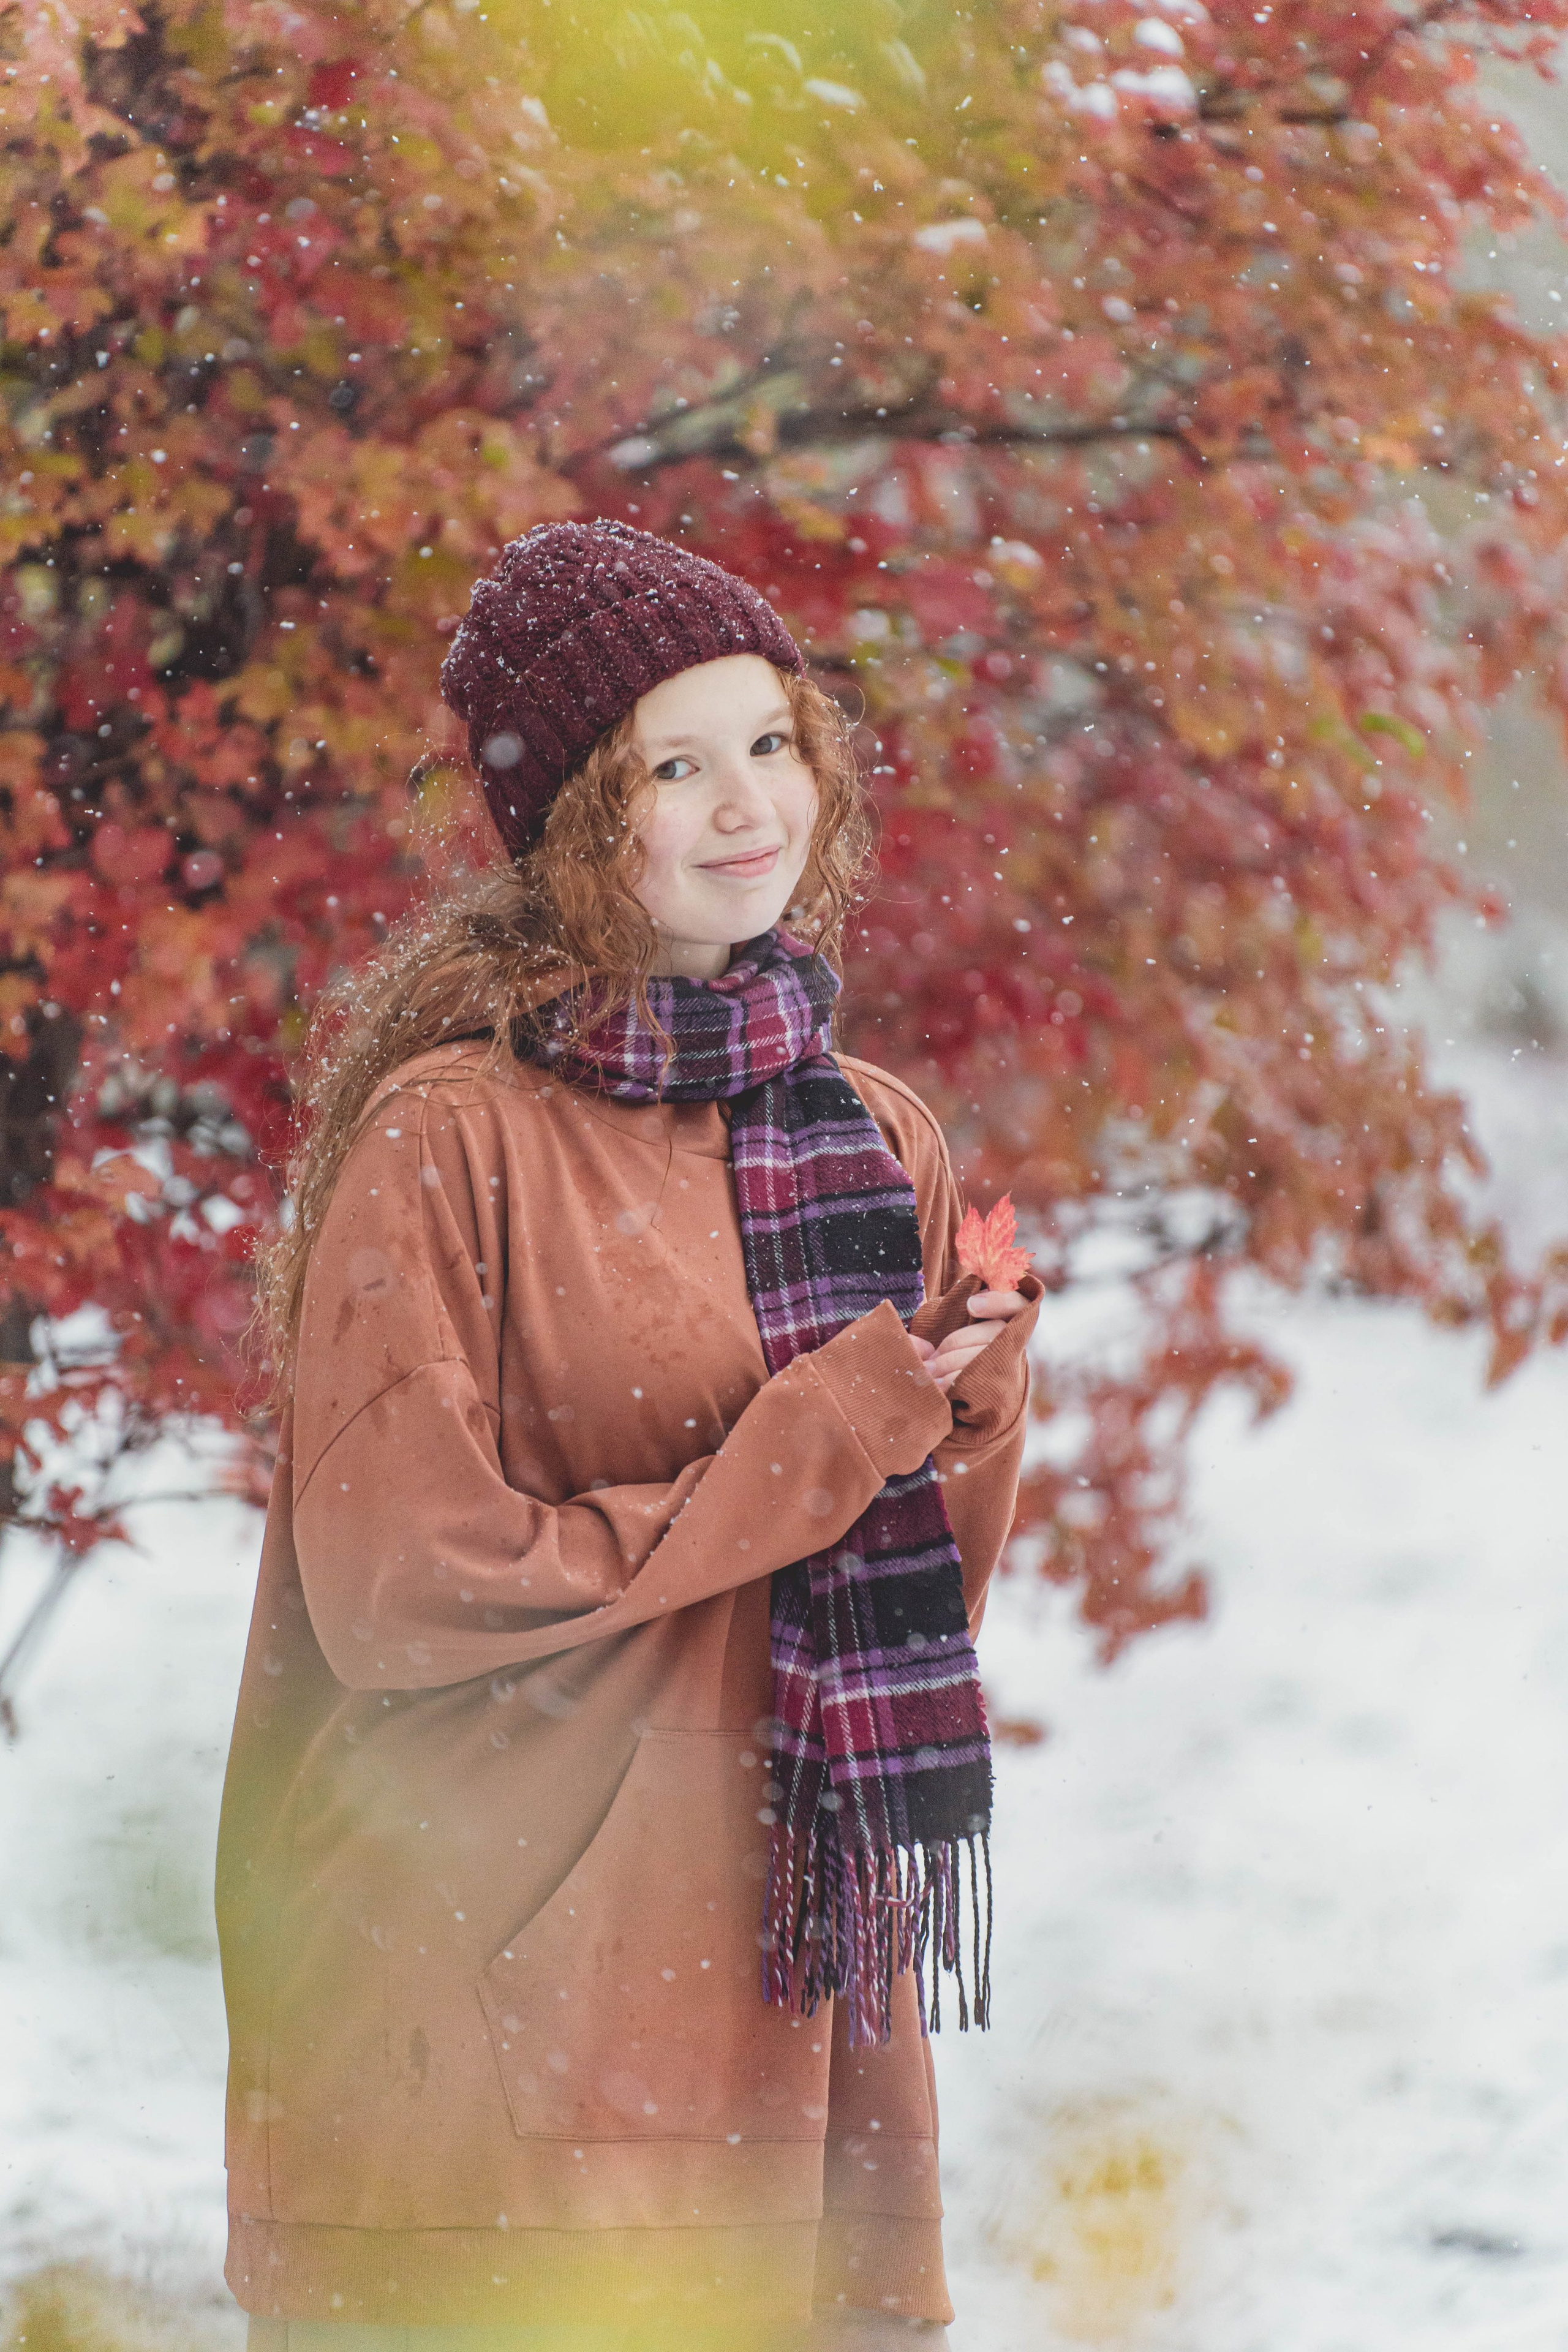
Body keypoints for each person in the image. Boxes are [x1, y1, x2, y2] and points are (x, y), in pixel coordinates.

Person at [220, 521, 1041, 2352]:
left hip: (772, 1956)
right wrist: (826, 1439)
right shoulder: (451, 1137)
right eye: (678, 764)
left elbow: (897, 1611)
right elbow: (403, 1593)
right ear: (581, 810)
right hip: (484, 1965)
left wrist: (963, 1420)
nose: (751, 805)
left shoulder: (871, 1131)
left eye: (773, 743)